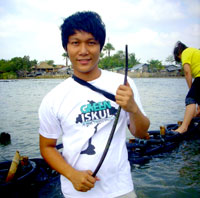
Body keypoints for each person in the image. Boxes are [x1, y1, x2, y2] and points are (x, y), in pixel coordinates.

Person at [39, 11, 150, 198]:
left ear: (100, 46)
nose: (83, 51)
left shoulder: (123, 84)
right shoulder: (53, 98)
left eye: (91, 42)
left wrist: (133, 109)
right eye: (75, 42)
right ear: (66, 47)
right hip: (76, 192)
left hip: (121, 188)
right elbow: (47, 147)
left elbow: (141, 133)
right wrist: (72, 174)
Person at [173, 41, 200, 133]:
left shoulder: (185, 52)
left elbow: (187, 72)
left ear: (179, 53)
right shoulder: (194, 51)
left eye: (180, 59)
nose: (181, 61)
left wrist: (190, 89)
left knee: (190, 99)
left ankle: (184, 127)